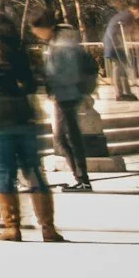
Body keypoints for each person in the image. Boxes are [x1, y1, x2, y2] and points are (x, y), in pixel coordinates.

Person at [0, 2, 60, 242]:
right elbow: (30, 83)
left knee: (3, 172)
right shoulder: (18, 52)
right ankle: (47, 227)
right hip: (22, 113)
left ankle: (12, 227)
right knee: (34, 169)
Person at [41, 22, 98, 194]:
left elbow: (59, 73)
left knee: (66, 137)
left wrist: (52, 86)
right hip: (71, 95)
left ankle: (82, 179)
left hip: (65, 96)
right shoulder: (74, 48)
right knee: (67, 136)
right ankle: (81, 178)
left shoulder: (62, 49)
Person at [104, 5, 139, 100]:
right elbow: (115, 30)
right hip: (115, 46)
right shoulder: (128, 16)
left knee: (122, 68)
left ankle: (125, 92)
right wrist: (118, 44)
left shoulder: (123, 15)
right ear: (134, 9)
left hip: (114, 44)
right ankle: (120, 94)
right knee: (119, 68)